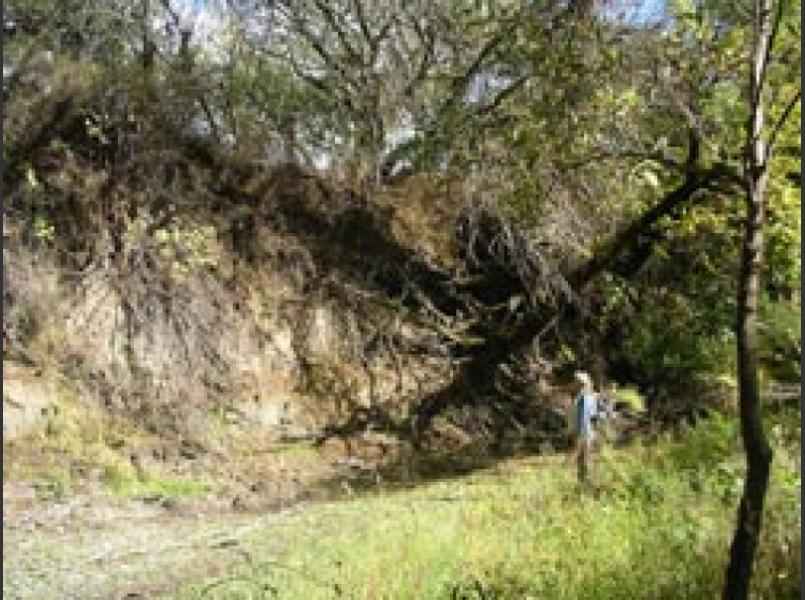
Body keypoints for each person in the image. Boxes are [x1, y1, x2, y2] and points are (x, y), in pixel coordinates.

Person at [569, 371, 598, 485]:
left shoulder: (584, 398)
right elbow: (594, 417)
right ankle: (584, 483)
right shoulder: (587, 396)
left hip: (584, 433)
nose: (572, 384)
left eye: (574, 381)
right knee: (583, 459)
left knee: (583, 459)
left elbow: (585, 418)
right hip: (587, 433)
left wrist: (579, 437)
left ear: (580, 383)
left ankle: (585, 484)